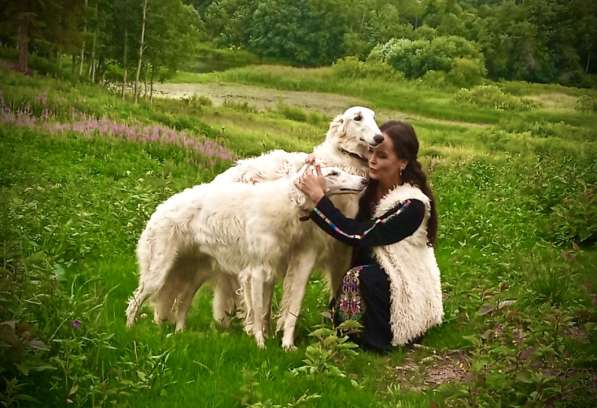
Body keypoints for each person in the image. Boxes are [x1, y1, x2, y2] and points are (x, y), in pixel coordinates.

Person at [296, 120, 443, 352]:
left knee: (361, 276)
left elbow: (357, 235)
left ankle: (374, 340)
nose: (372, 160)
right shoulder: (367, 188)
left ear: (402, 162)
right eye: (371, 152)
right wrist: (315, 169)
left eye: (382, 156)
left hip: (403, 284)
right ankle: (348, 328)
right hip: (373, 273)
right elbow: (337, 183)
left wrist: (319, 200)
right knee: (358, 274)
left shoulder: (412, 204)